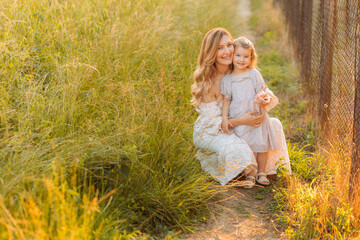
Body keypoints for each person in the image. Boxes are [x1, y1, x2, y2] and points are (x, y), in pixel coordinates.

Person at [191, 28, 265, 188]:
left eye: (229, 45)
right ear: (211, 52)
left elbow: (260, 87)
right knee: (237, 149)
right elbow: (215, 123)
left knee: (273, 127)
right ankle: (232, 166)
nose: (227, 51)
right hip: (210, 130)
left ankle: (260, 170)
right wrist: (243, 120)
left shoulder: (238, 68)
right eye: (219, 48)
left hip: (235, 125)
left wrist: (263, 98)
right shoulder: (208, 82)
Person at [221, 36, 291, 185]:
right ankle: (250, 175)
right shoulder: (228, 79)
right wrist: (224, 118)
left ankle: (262, 173)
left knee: (261, 146)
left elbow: (261, 90)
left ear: (251, 58)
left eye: (246, 56)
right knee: (248, 147)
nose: (241, 59)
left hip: (256, 116)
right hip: (241, 117)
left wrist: (262, 97)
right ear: (232, 56)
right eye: (238, 55)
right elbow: (226, 100)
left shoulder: (253, 74)